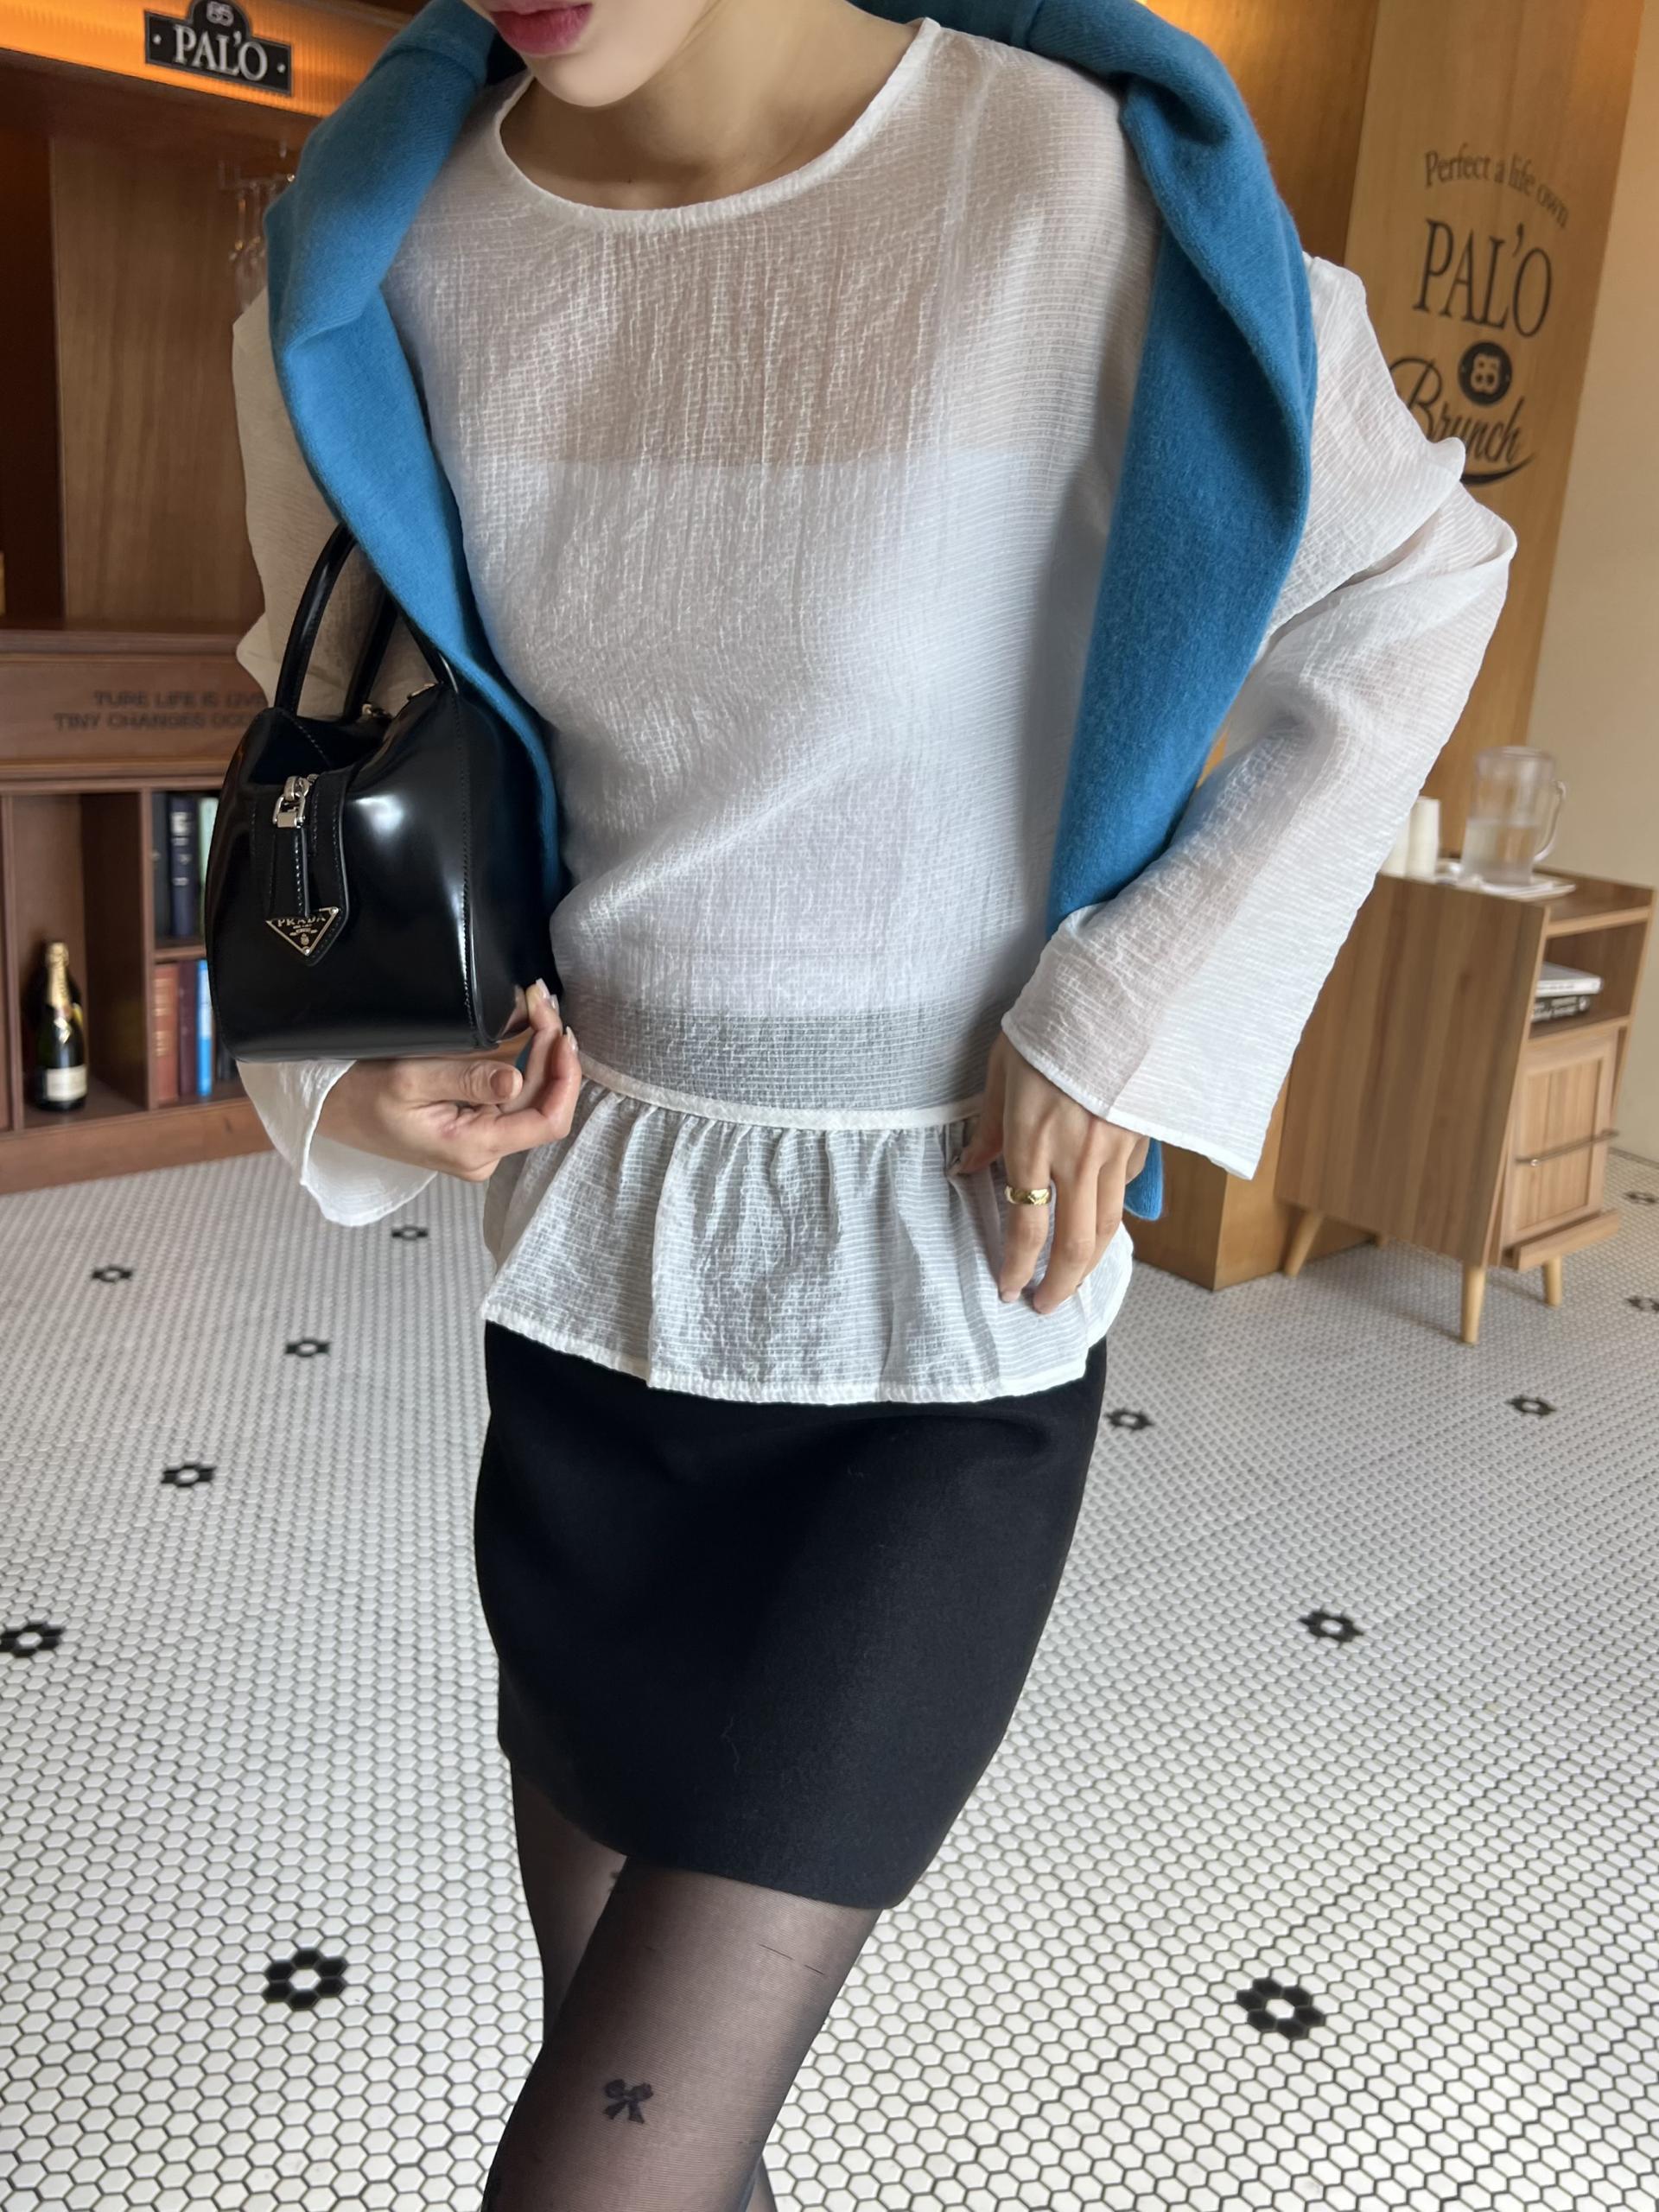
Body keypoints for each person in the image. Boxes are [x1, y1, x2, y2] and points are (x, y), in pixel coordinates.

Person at [226, 1, 1516, 2205]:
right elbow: (319, 713)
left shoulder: (1079, 188)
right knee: (658, 2108)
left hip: (941, 1326)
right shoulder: (387, 253)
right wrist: (360, 1081)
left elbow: (1418, 583)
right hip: (600, 1295)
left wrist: (1120, 1007)